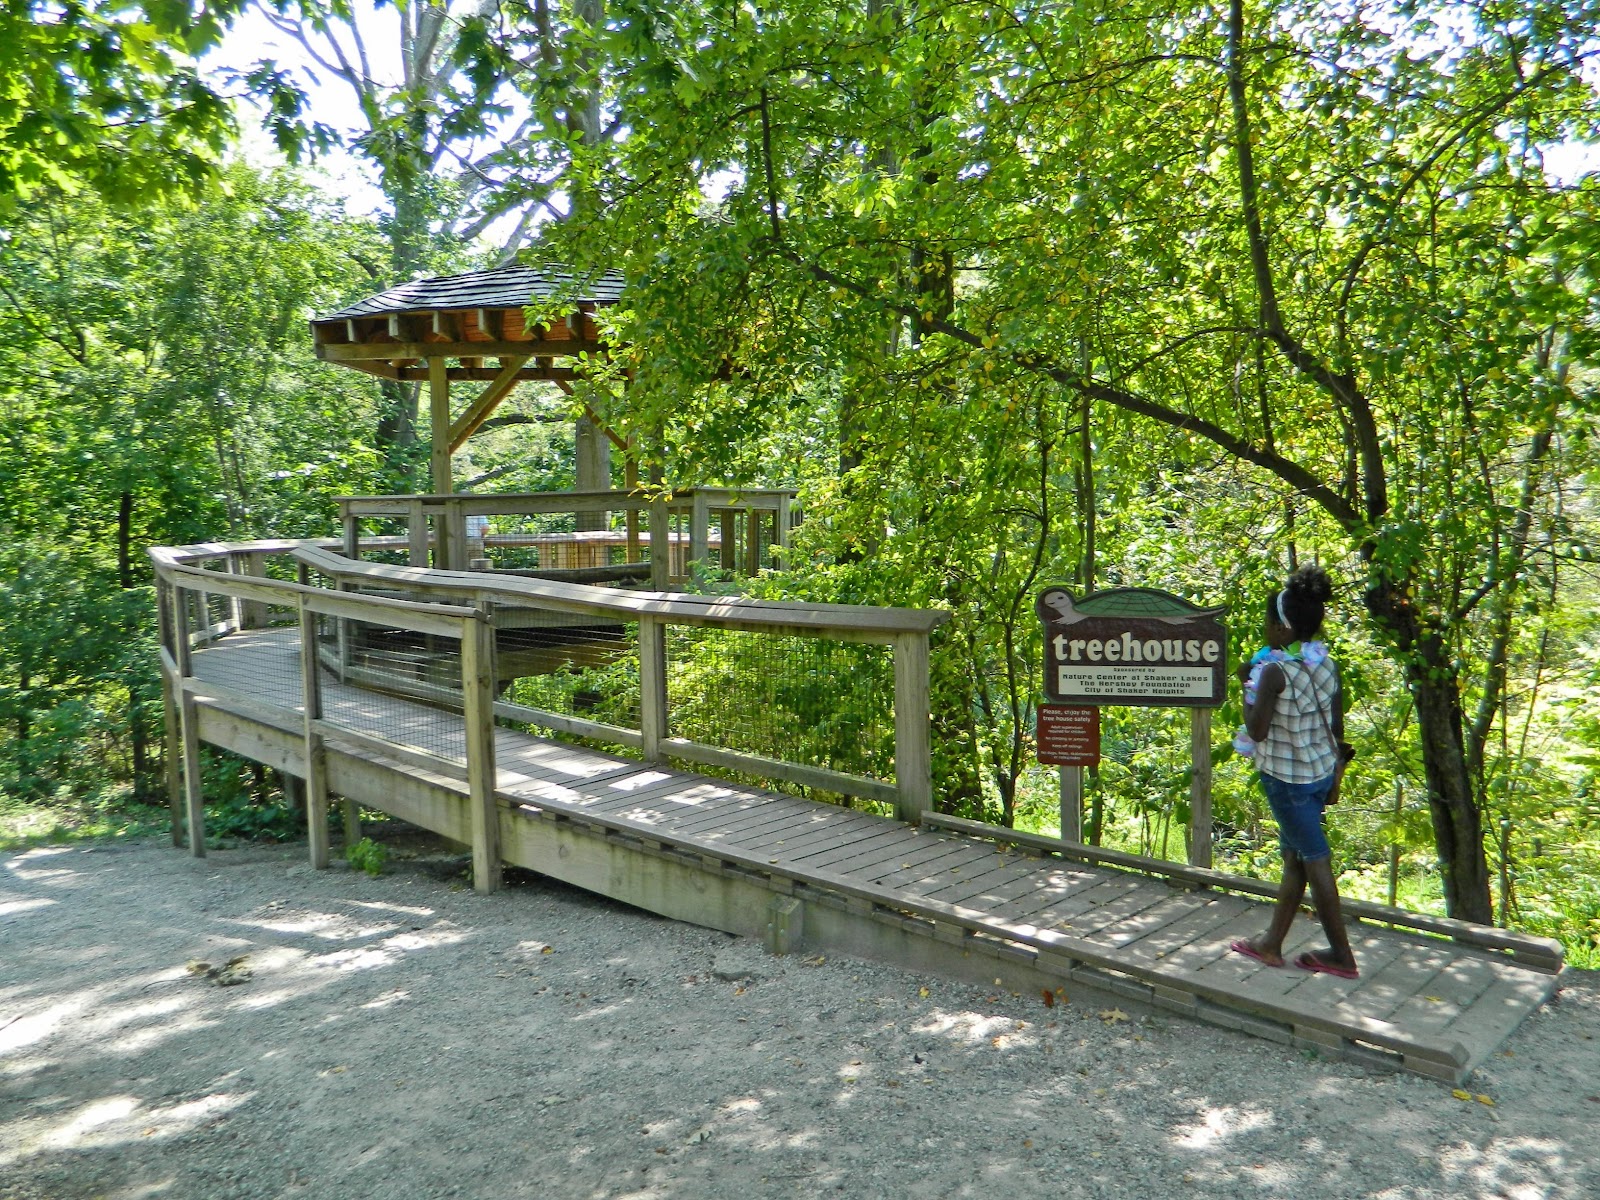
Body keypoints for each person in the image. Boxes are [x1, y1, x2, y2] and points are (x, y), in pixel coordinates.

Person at [1230, 564, 1359, 978]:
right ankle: (1271, 943)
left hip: (1287, 782)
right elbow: (1336, 728)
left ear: (1283, 630)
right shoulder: (1327, 665)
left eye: (1269, 623)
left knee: (1314, 858)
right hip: (1319, 774)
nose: (1266, 630)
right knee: (1295, 858)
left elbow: (1257, 729)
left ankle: (1342, 954)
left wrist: (1244, 689)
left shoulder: (1273, 671)